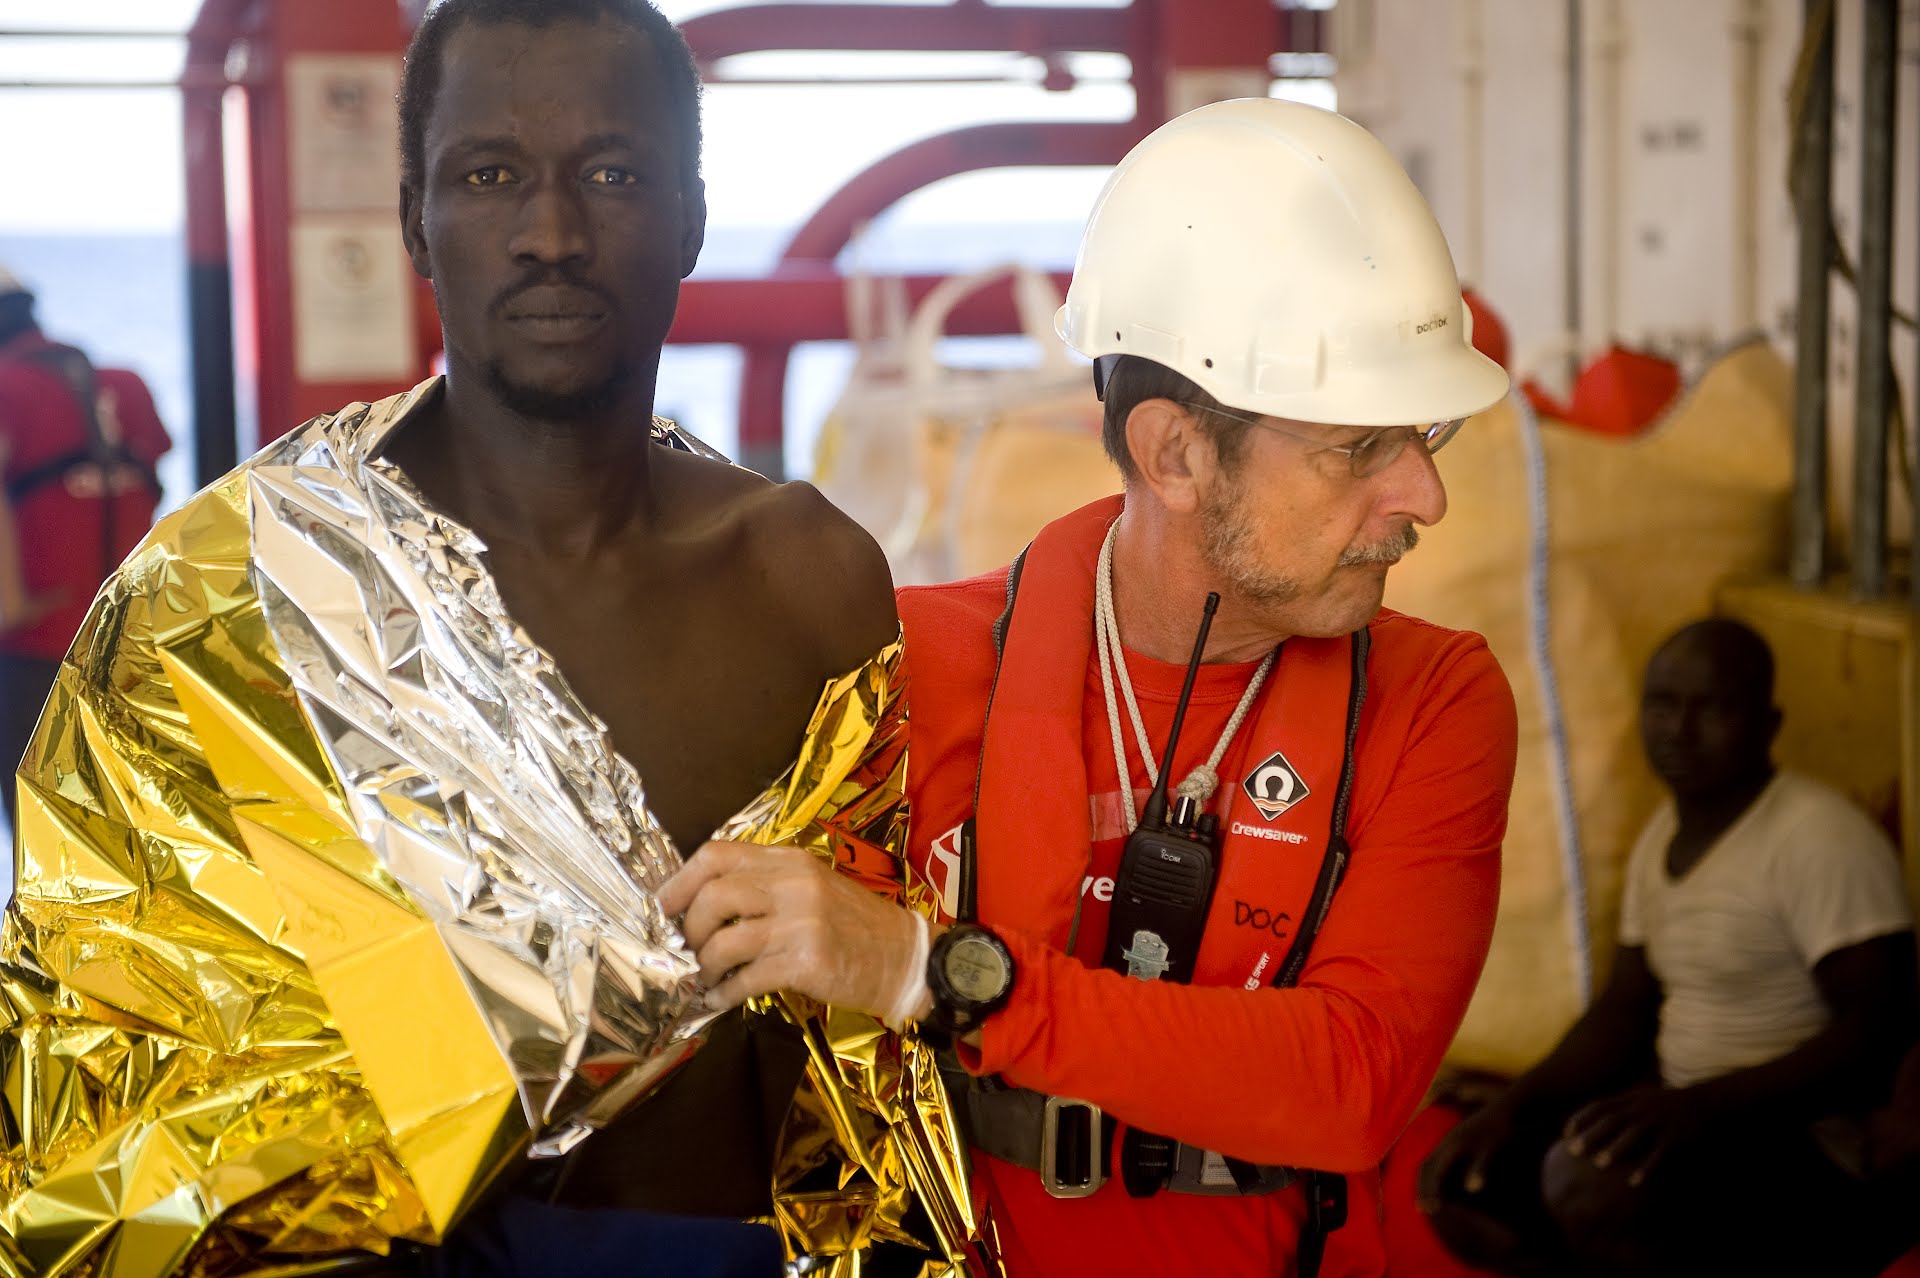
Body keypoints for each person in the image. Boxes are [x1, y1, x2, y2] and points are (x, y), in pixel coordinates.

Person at [0, 4, 976, 1277]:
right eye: (491, 174)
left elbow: (883, 1064)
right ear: (415, 217)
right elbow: (104, 1081)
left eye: (611, 174)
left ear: (689, 217)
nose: (552, 235)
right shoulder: (232, 603)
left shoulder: (809, 583)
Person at [660, 98, 1522, 1277]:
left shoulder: (1436, 702)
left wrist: (928, 971)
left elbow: (1350, 1083)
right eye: (1357, 448)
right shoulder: (900, 677)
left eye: (1421, 433)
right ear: (1173, 452)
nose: (1422, 496)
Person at [1418, 617, 1919, 1277]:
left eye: (1709, 708)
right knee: (1469, 1177)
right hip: (1683, 1110)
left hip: (1800, 1136)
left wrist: (1701, 1107)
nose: (1678, 730)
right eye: (1663, 705)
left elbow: (1878, 1033)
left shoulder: (1818, 839)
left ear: (1767, 724)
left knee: (1591, 1187)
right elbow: (1626, 1009)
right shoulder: (1664, 837)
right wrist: (1514, 1108)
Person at [0, 264, 170, 828]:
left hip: (37, 649)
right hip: (136, 643)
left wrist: (11, 606)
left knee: (40, 842)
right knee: (133, 836)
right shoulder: (126, 382)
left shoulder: (5, 386)